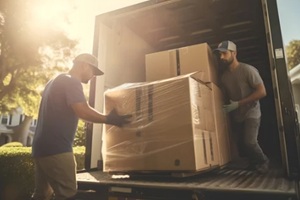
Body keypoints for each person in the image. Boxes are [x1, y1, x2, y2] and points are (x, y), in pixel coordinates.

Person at [31, 53, 132, 200]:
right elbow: (82, 110)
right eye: (93, 71)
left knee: (42, 195)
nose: (93, 76)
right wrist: (109, 119)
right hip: (57, 149)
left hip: (41, 148)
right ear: (84, 65)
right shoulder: (72, 81)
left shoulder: (54, 81)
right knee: (67, 194)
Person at [214, 40, 269, 173]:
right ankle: (253, 163)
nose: (221, 57)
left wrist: (238, 104)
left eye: (224, 54)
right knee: (240, 144)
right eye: (219, 55)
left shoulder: (247, 70)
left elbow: (262, 91)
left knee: (249, 142)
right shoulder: (224, 77)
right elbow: (224, 96)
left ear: (234, 53)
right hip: (237, 114)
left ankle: (263, 161)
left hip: (252, 111)